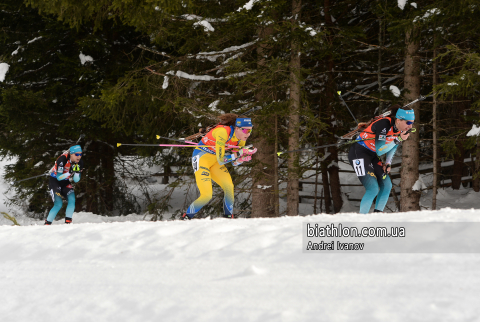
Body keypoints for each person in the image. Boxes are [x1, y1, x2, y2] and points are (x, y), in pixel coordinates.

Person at [182, 114, 257, 220]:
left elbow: (233, 162)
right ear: (237, 128)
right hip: (202, 158)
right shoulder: (223, 132)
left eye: (250, 131)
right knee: (206, 195)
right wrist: (239, 154)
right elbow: (222, 160)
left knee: (229, 186)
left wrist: (241, 159)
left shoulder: (241, 139)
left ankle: (228, 216)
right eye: (245, 131)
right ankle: (186, 217)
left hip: (215, 161)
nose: (248, 134)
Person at [348, 105, 414, 214]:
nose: (410, 126)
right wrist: (398, 139)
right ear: (398, 120)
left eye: (412, 122)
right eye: (408, 122)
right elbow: (380, 150)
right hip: (359, 153)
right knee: (372, 189)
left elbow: (393, 146)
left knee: (387, 185)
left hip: (372, 155)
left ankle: (377, 216)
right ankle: (361, 221)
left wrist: (388, 163)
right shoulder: (384, 124)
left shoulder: (399, 129)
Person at [45, 145, 84, 225]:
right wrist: (69, 172)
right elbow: (59, 177)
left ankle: (68, 222)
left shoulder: (80, 163)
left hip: (65, 182)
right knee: (58, 204)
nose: (79, 156)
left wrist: (77, 172)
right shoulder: (62, 159)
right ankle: (47, 224)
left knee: (72, 199)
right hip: (55, 181)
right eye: (77, 154)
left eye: (80, 154)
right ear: (71, 154)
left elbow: (76, 180)